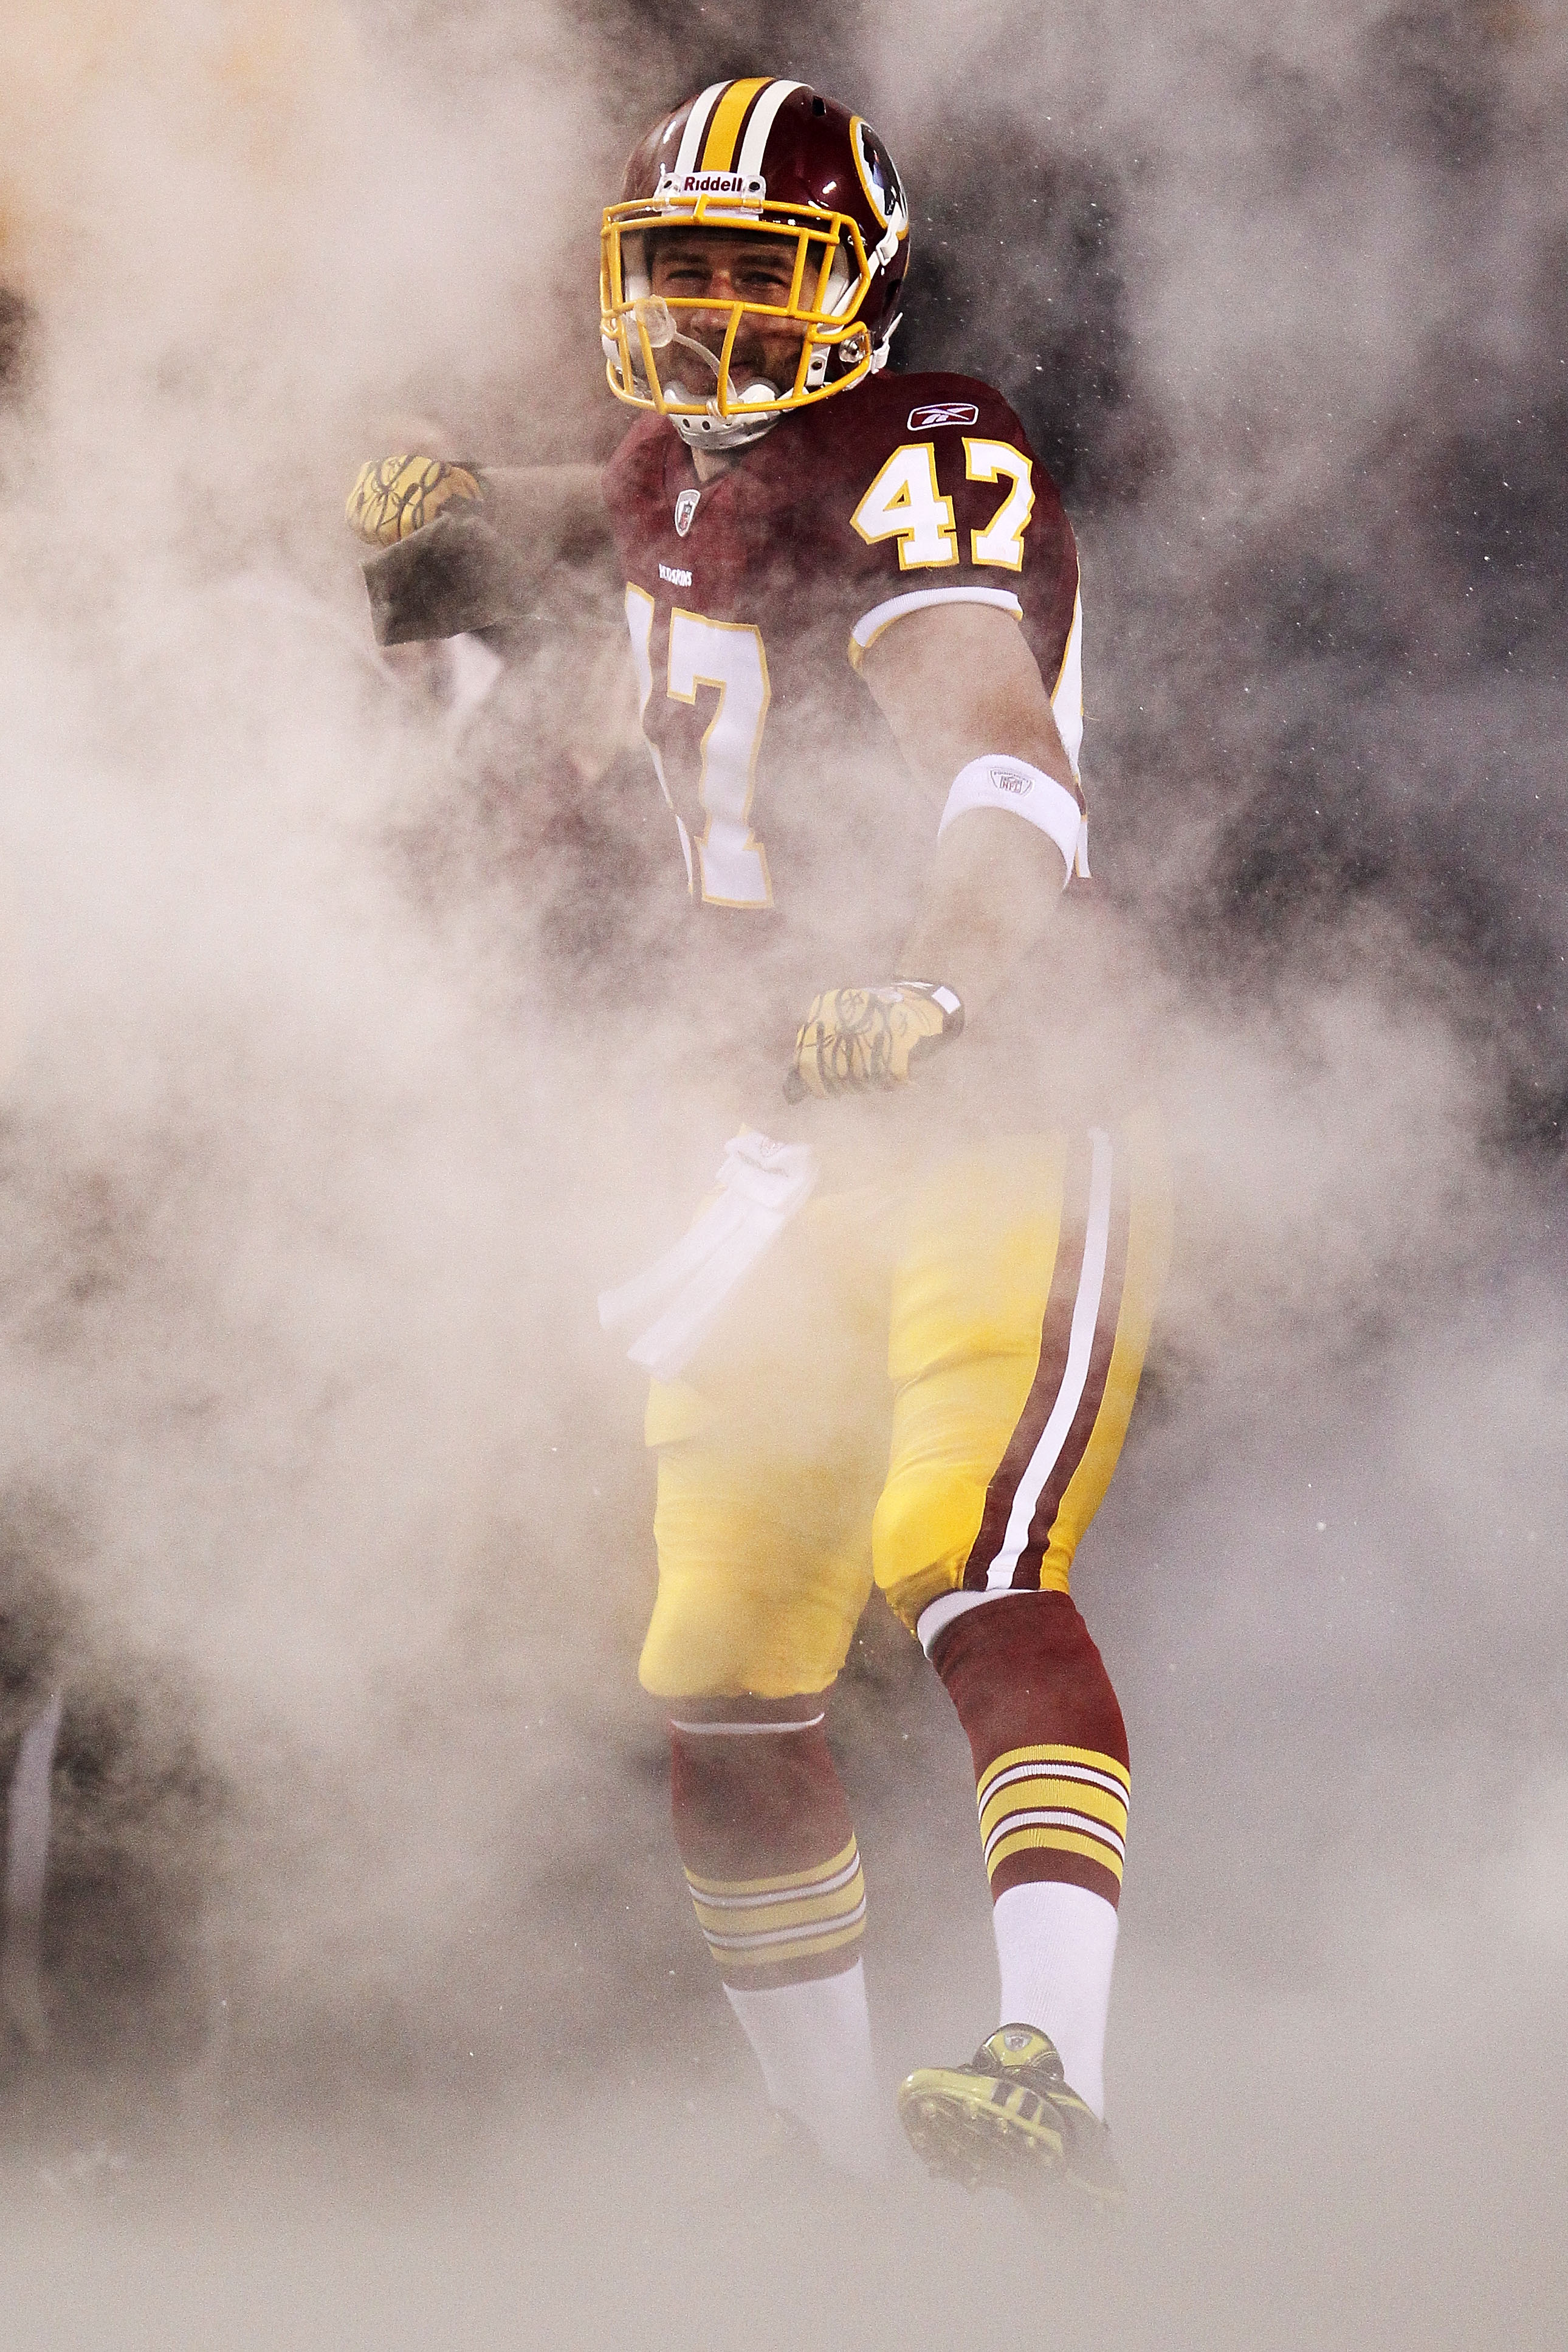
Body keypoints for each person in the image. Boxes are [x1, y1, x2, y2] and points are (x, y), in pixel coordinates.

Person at [348, 78, 1169, 2201]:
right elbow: (609, 504)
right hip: (766, 1128)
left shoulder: (928, 449)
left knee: (962, 1554)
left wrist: (942, 981)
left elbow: (994, 749)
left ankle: (1041, 2067)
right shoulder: (659, 464)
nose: (707, 318)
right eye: (674, 272)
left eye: (751, 270)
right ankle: (841, 2183)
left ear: (859, 288)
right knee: (715, 1663)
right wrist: (433, 501)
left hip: (995, 1086)